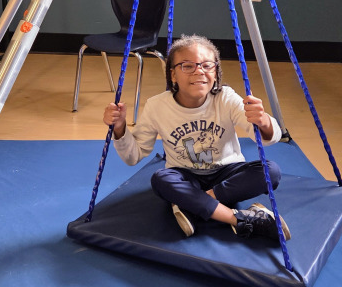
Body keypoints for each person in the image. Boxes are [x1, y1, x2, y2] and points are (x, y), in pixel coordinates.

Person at [103, 33, 290, 243]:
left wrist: (262, 120)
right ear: (172, 75)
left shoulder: (226, 98)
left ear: (216, 72)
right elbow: (133, 156)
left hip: (226, 175)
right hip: (185, 175)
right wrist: (119, 128)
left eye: (207, 65)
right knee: (161, 179)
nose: (199, 71)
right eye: (187, 66)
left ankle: (193, 205)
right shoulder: (157, 106)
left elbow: (268, 138)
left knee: (270, 171)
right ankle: (239, 218)